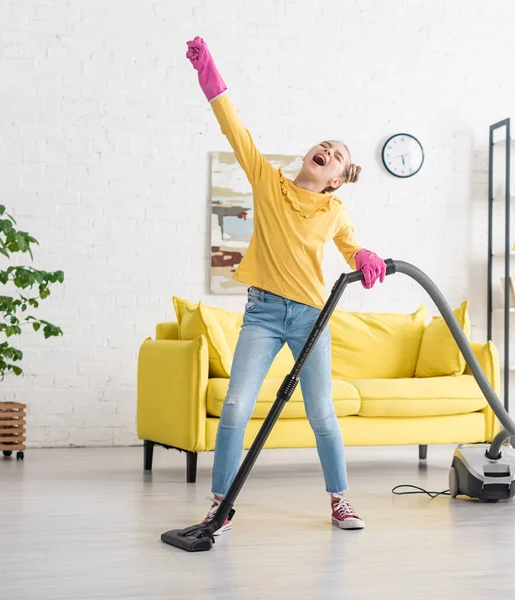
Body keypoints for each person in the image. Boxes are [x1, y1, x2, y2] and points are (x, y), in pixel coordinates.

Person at [186, 36, 387, 532]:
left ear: (338, 178)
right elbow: (234, 128)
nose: (327, 150)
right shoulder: (267, 182)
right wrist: (208, 74)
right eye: (324, 144)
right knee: (235, 405)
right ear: (307, 154)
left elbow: (350, 246)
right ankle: (220, 503)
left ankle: (340, 500)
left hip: (311, 320)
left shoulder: (335, 210)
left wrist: (363, 255)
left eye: (337, 154)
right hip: (262, 313)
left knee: (321, 411)